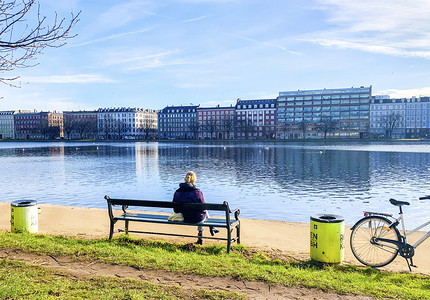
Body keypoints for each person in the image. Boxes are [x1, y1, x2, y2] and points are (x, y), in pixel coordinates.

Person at [172, 171, 218, 244]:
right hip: (196, 219)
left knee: (200, 213)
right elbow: (203, 207)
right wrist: (203, 211)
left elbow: (176, 210)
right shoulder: (197, 192)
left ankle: (211, 227)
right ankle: (208, 229)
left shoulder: (177, 192)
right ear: (194, 180)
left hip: (185, 217)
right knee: (203, 213)